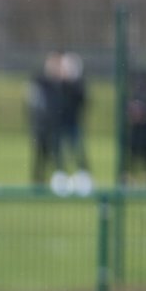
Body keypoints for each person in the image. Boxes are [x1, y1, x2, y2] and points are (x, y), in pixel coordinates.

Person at [54, 51, 91, 195]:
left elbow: (81, 100)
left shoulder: (78, 85)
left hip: (73, 123)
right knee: (59, 154)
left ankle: (84, 180)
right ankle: (61, 180)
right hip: (60, 123)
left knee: (78, 153)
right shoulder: (58, 84)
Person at [26, 52, 62, 190]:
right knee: (39, 154)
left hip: (51, 125)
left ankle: (51, 179)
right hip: (40, 125)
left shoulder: (56, 84)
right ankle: (37, 180)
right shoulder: (42, 81)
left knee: (51, 154)